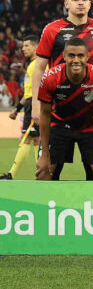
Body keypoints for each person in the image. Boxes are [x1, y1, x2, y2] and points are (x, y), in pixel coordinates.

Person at [31, 0, 93, 180]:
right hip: (58, 111)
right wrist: (35, 103)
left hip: (91, 113)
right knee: (45, 173)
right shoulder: (52, 29)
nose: (80, 3)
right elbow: (39, 67)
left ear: (90, 3)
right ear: (66, 4)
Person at [35, 38, 93, 181]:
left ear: (88, 56)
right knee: (43, 173)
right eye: (71, 56)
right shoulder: (50, 78)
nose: (76, 60)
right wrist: (45, 155)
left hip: (90, 126)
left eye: (80, 56)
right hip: (59, 126)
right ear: (64, 56)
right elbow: (45, 115)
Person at [1, 35, 40, 180]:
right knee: (36, 140)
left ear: (36, 46)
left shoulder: (39, 64)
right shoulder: (31, 65)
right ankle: (42, 175)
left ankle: (12, 174)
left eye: (26, 46)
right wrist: (17, 109)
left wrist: (38, 107)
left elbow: (38, 91)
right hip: (31, 104)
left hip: (36, 105)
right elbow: (28, 93)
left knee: (26, 138)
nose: (23, 49)